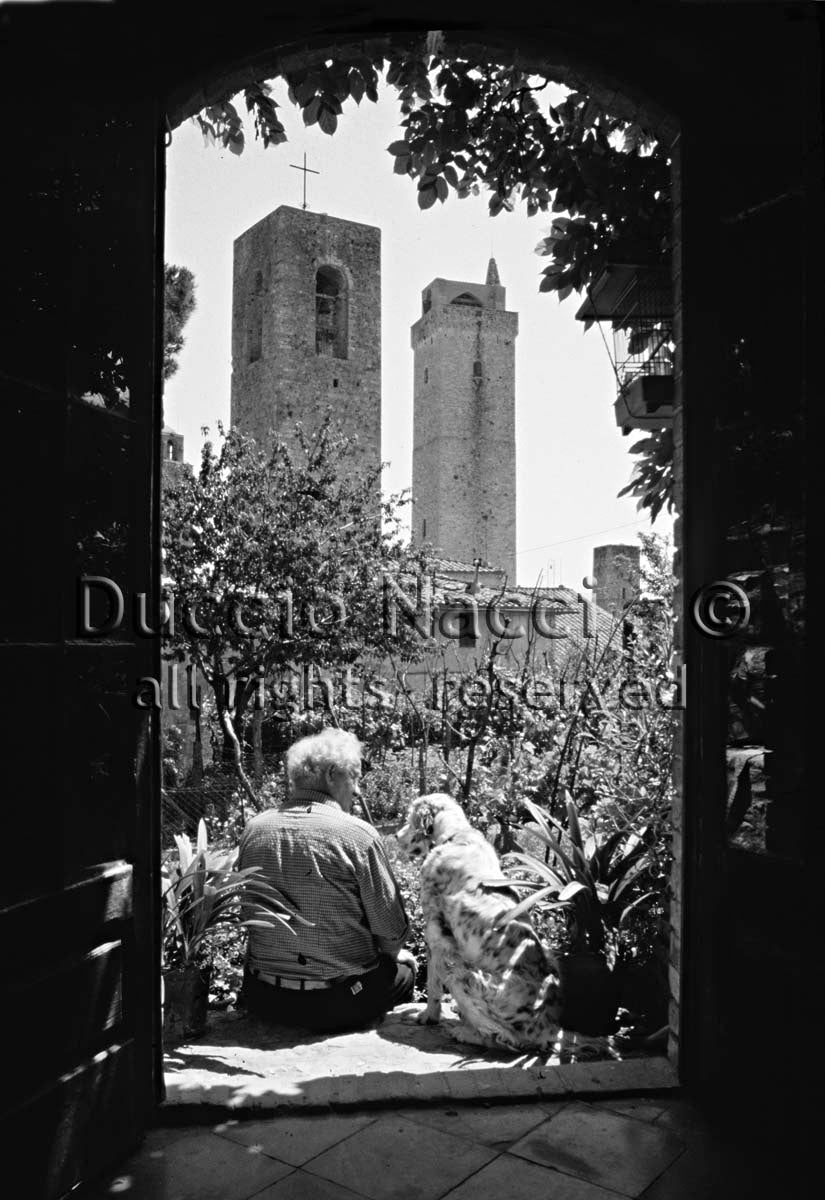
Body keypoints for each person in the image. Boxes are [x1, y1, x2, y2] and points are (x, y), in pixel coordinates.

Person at [237, 727, 416, 1031]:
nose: (357, 790)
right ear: (333, 774)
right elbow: (391, 936)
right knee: (404, 971)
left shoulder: (254, 830)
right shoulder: (357, 835)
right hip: (336, 1005)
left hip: (265, 999)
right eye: (355, 777)